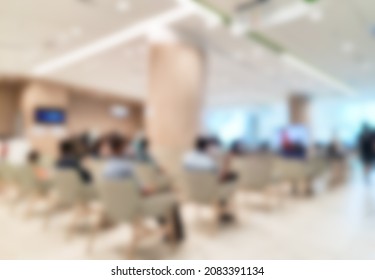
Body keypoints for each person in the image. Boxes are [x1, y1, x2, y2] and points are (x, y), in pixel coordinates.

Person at [102, 135, 184, 241]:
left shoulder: (107, 167)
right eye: (127, 146)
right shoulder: (126, 167)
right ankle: (176, 235)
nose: (130, 148)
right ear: (121, 147)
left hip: (117, 207)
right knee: (171, 198)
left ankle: (167, 230)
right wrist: (154, 190)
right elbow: (142, 191)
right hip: (135, 207)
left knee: (160, 193)